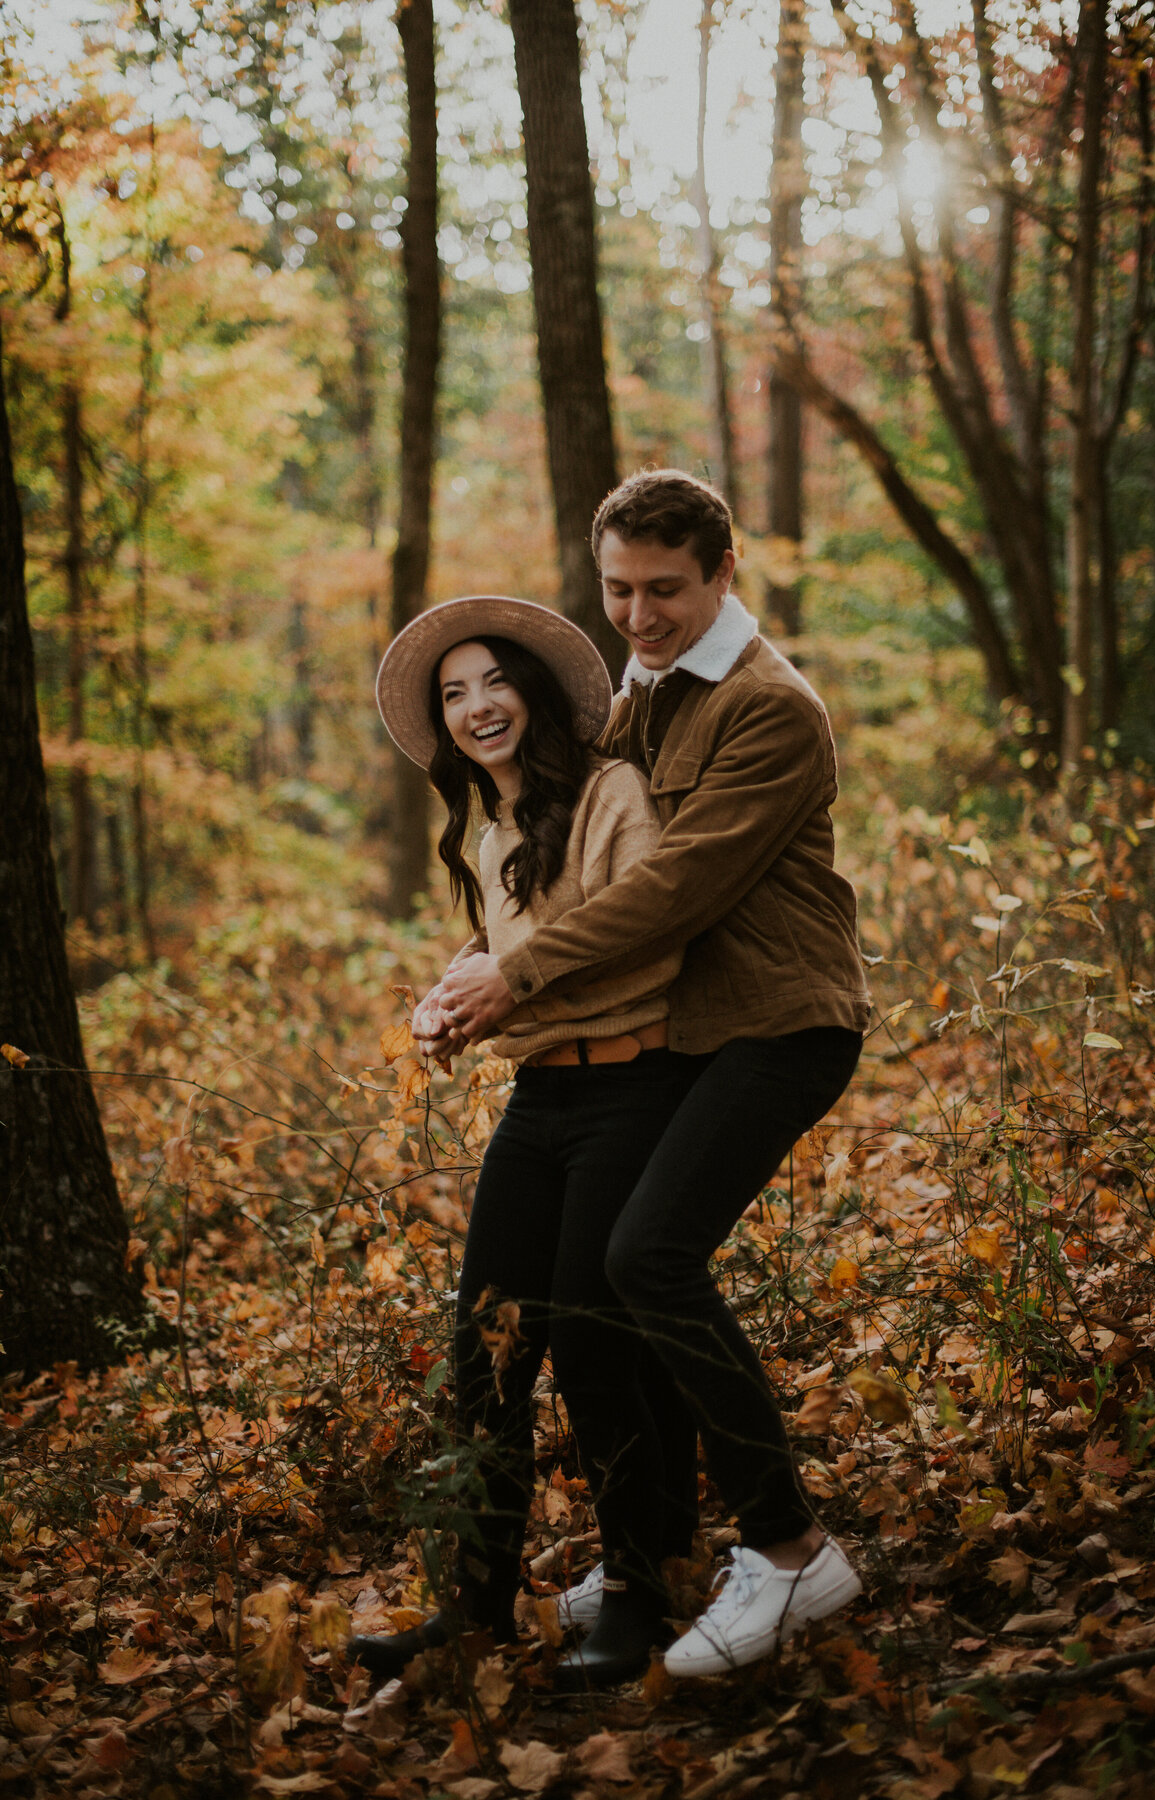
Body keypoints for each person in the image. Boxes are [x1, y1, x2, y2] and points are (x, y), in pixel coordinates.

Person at [435, 469, 872, 1677]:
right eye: (618, 589)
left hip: (781, 1023)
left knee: (647, 1259)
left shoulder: (769, 710)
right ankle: (661, 1554)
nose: (637, 614)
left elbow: (672, 889)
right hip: (678, 1035)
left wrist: (512, 981)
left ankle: (790, 1553)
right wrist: (477, 958)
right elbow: (573, 862)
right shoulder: (639, 694)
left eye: (665, 590)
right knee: (600, 1295)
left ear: (724, 573)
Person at [348, 595, 702, 1692]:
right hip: (539, 1107)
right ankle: (474, 1604)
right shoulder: (495, 831)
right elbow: (514, 941)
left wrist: (510, 990)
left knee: (598, 1349)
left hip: (633, 1093)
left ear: (533, 692)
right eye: (452, 694)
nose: (474, 706)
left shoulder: (612, 792)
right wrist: (445, 1003)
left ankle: (641, 1593)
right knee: (488, 1349)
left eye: (491, 680)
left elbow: (650, 927)